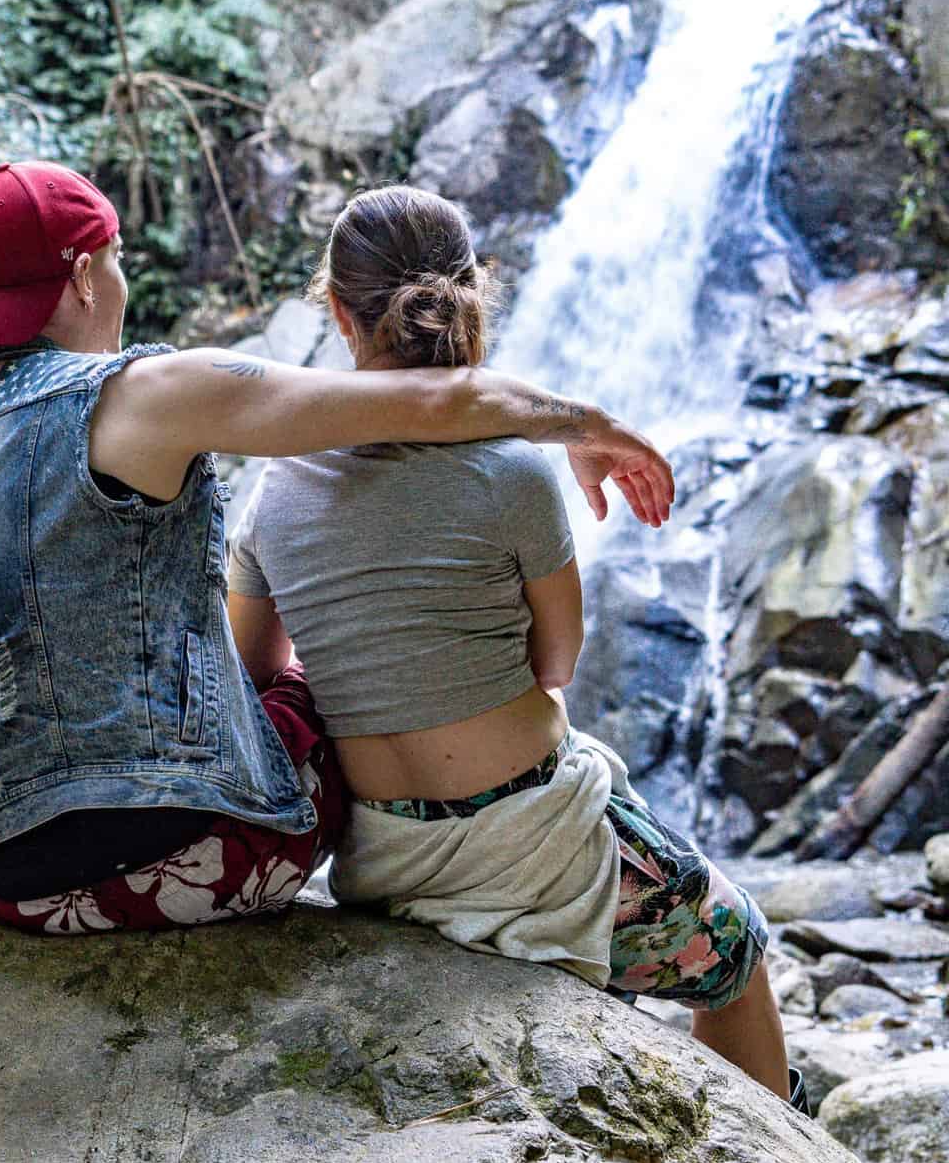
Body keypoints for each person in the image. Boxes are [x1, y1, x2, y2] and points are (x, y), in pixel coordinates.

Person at [0, 159, 676, 938]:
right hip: (190, 859)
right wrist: (583, 423)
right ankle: (477, 854)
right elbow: (424, 398)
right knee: (315, 674)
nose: (121, 287)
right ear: (86, 276)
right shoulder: (141, 395)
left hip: (9, 883)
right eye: (118, 264)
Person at [226, 184, 806, 1110]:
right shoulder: (514, 470)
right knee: (736, 955)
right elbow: (556, 665)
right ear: (469, 297)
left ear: (338, 312)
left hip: (382, 858)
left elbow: (251, 676)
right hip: (537, 845)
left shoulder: (274, 490)